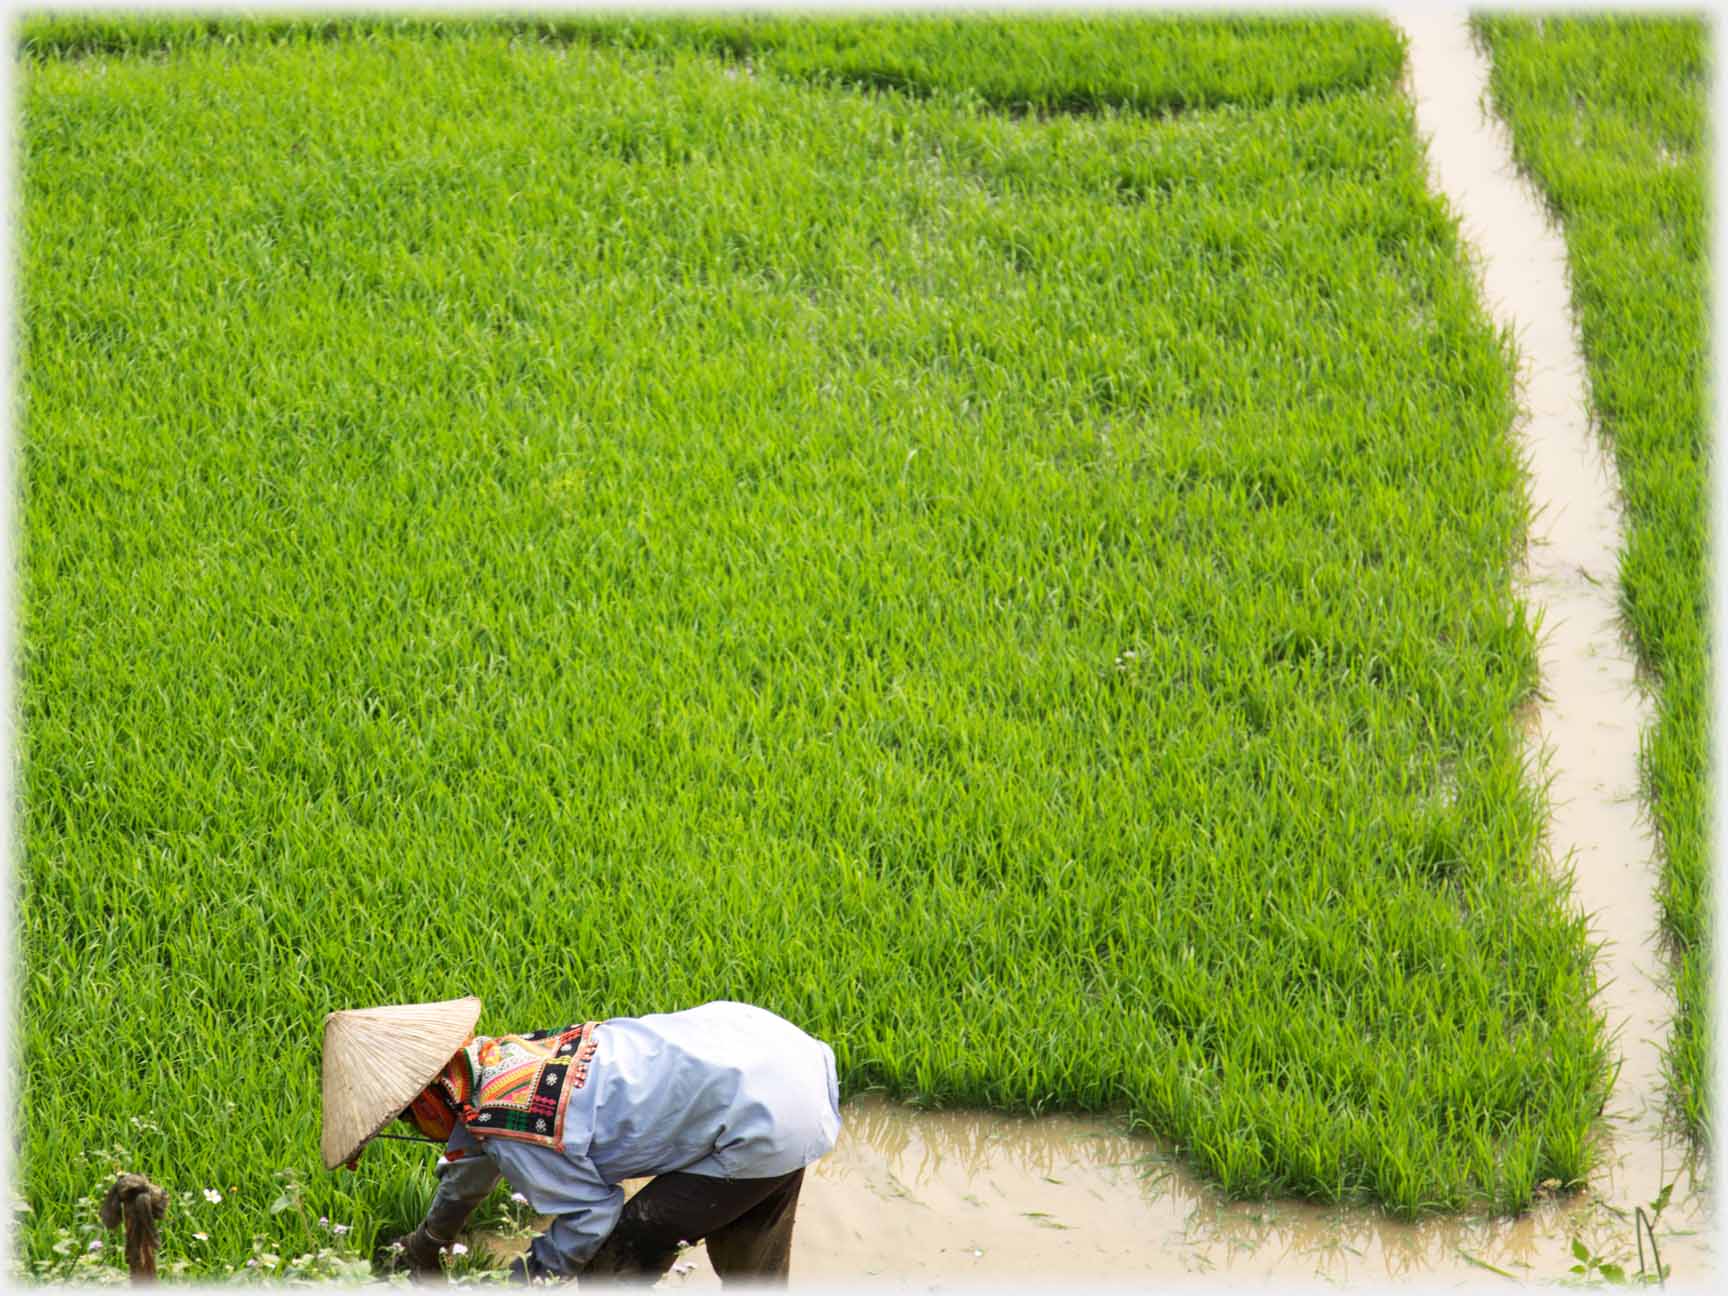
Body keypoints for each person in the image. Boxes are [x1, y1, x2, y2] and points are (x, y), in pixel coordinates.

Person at [321, 996, 841, 1285]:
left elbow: (591, 1214)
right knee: (752, 1249)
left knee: (625, 1248)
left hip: (763, 1116)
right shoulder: (497, 1062)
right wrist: (428, 1241)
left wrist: (529, 1279)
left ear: (428, 1102)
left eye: (407, 1121)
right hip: (770, 1056)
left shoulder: (507, 1125)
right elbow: (468, 1169)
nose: (414, 1130)